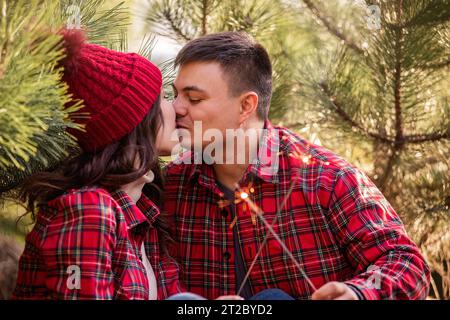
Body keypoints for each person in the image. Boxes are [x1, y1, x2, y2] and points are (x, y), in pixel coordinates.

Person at [160, 31, 431, 300]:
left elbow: (407, 264)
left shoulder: (327, 178)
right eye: (176, 96)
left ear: (246, 106)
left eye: (194, 99)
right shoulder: (170, 185)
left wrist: (358, 293)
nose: (177, 108)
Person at [12, 29, 182, 299]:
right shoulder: (90, 209)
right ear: (136, 123)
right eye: (162, 98)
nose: (178, 108)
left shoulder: (142, 211)